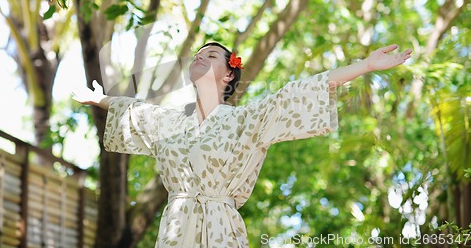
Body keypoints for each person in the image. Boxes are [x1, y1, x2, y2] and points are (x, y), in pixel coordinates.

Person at [72, 42, 412, 248]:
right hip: (177, 228)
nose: (201, 57)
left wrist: (366, 65)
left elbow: (297, 92)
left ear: (229, 74)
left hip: (222, 227)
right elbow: (134, 110)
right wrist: (101, 100)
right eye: (198, 54)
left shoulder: (248, 120)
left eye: (212, 55)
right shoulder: (168, 121)